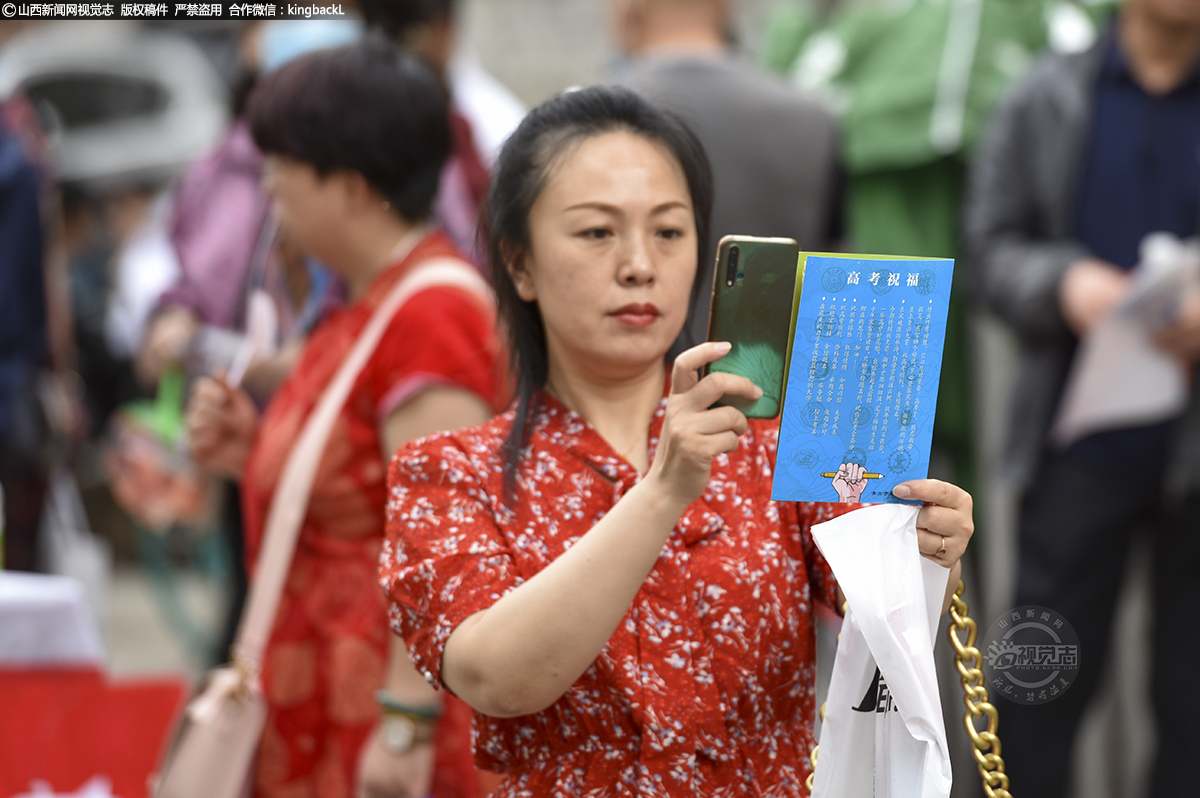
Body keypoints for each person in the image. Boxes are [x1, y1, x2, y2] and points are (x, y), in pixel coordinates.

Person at [381, 85, 974, 797]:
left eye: (668, 231)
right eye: (597, 232)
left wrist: (927, 556)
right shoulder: (446, 473)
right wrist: (662, 492)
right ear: (519, 264)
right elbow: (495, 678)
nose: (639, 264)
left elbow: (883, 636)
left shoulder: (781, 442)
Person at [185, 39, 504, 798]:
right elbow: (358, 484)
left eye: (281, 165)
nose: (268, 187)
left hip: (374, 706)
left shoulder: (429, 311)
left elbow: (436, 540)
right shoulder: (370, 299)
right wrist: (256, 453)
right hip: (331, 689)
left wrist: (405, 723)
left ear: (350, 185)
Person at [964, 0, 1200, 793]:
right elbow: (986, 245)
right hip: (1075, 450)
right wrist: (1062, 282)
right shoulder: (1044, 96)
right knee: (1036, 688)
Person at [609, 0, 842, 355]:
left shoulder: (589, 124)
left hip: (635, 388)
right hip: (774, 387)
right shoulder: (814, 117)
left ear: (629, 8)